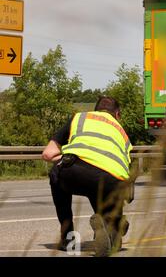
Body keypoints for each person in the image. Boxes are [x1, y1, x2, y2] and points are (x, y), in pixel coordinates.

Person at [42, 96, 133, 257]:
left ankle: (68, 238)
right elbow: (125, 173)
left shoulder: (80, 118)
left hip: (74, 172)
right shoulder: (123, 134)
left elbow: (48, 154)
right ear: (117, 115)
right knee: (105, 190)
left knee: (57, 175)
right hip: (111, 180)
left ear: (95, 110)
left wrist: (68, 157)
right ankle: (111, 229)